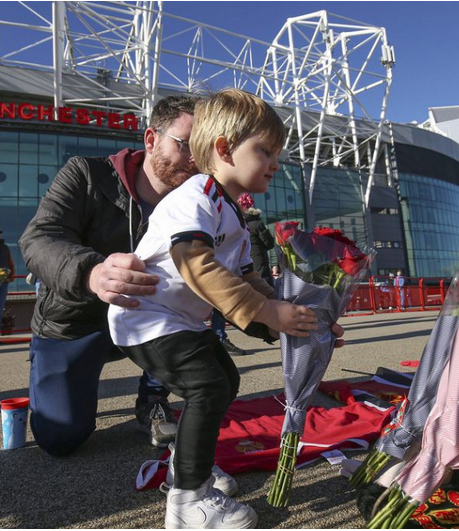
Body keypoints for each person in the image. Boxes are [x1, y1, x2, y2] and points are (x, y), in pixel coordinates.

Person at [109, 89, 344, 529]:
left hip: (178, 319)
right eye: (265, 151)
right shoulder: (196, 195)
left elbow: (245, 279)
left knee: (225, 380)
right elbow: (193, 262)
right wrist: (268, 312)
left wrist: (288, 322)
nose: (276, 163)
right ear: (223, 150)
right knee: (208, 388)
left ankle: (188, 466)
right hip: (148, 318)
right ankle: (187, 503)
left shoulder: (230, 212)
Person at [19, 95, 200, 456]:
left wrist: (285, 314)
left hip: (150, 321)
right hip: (75, 321)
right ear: (151, 140)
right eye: (186, 145)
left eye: (205, 149)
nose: (197, 159)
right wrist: (93, 272)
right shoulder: (85, 173)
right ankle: (55, 381)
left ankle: (153, 397)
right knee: (61, 439)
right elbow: (39, 239)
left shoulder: (199, 200)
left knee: (199, 331)